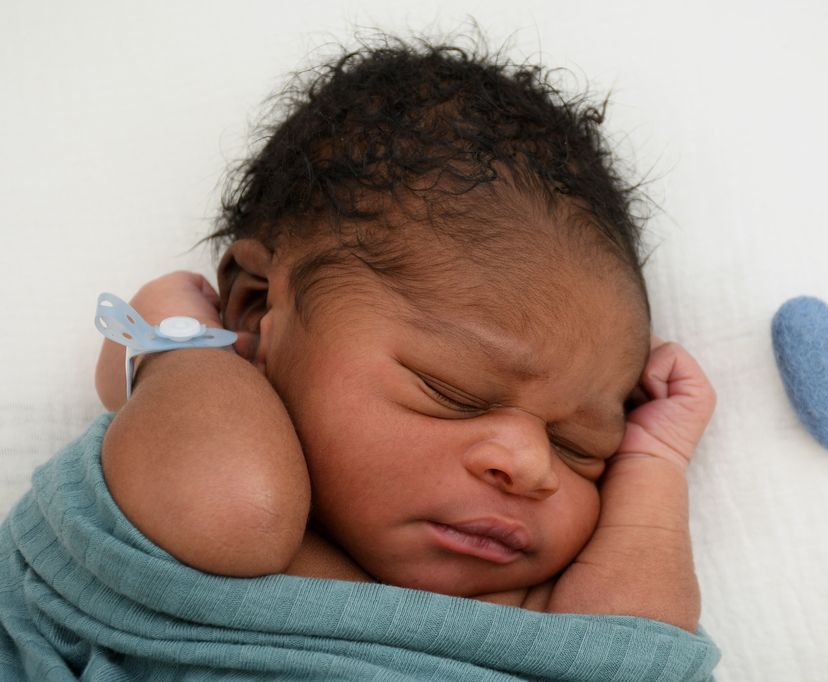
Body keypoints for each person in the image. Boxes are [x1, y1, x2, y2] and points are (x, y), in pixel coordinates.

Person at [93, 37, 716, 633]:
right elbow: (234, 514)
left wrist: (652, 462)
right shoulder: (179, 456)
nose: (531, 468)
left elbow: (632, 653)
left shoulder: (520, 606)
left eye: (580, 446)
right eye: (453, 393)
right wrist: (180, 344)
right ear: (256, 314)